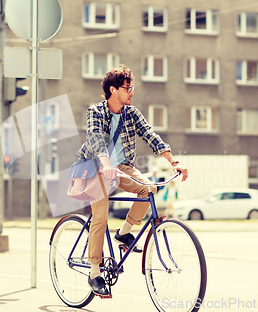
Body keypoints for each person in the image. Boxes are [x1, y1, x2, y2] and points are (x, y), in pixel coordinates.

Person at [76, 64, 188, 296]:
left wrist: (174, 161)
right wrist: (106, 163)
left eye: (132, 87)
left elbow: (151, 136)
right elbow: (96, 139)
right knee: (100, 216)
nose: (132, 92)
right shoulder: (95, 112)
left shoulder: (131, 113)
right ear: (114, 90)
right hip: (94, 167)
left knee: (149, 190)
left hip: (121, 167)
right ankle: (94, 272)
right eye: (128, 88)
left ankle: (124, 232)